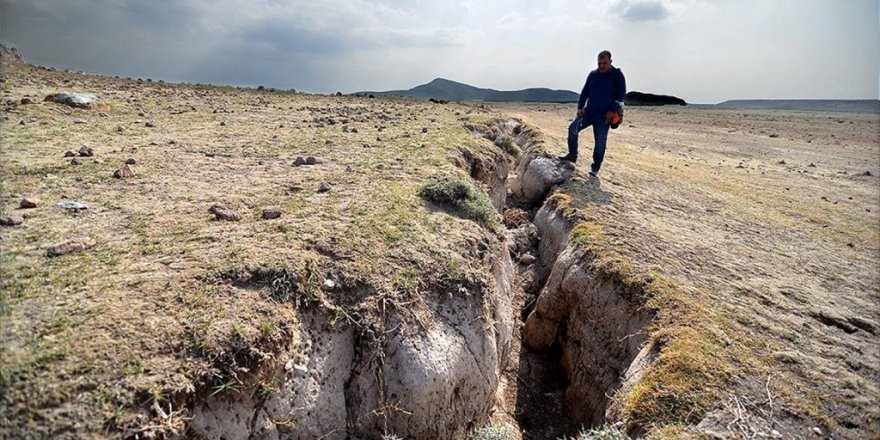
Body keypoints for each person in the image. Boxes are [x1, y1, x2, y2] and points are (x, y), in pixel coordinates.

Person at [558, 50, 626, 177]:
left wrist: (612, 110)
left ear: (610, 62)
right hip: (589, 113)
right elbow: (585, 92)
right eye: (599, 63)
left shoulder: (617, 75)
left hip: (604, 116)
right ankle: (572, 155)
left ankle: (595, 168)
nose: (601, 66)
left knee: (600, 144)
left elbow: (620, 96)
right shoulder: (593, 74)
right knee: (573, 128)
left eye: (604, 63)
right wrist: (580, 107)